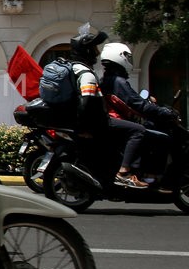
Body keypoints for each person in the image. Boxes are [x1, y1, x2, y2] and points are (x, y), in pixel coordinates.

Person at [66, 29, 148, 188]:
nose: (97, 54)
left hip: (94, 121)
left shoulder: (76, 68)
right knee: (138, 130)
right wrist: (83, 128)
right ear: (86, 51)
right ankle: (123, 173)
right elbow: (86, 102)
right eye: (94, 49)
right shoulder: (86, 74)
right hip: (98, 122)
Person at [99, 42, 179, 181]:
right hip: (115, 119)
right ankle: (143, 175)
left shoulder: (107, 79)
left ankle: (140, 171)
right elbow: (138, 105)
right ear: (120, 57)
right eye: (127, 57)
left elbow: (131, 101)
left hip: (114, 119)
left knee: (148, 130)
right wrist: (163, 112)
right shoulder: (118, 81)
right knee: (159, 137)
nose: (129, 61)